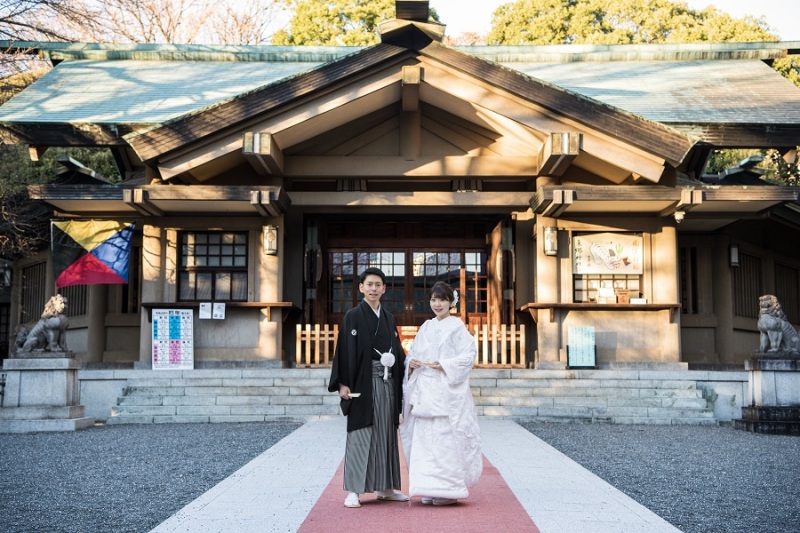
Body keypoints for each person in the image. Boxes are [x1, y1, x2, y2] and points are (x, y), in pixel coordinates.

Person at [327, 267, 409, 508]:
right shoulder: (353, 315)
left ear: (384, 289)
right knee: (361, 433)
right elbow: (344, 350)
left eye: (378, 285)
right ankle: (354, 490)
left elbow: (398, 353)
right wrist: (343, 383)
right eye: (369, 284)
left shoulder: (388, 317)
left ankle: (386, 487)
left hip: (386, 384)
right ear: (361, 287)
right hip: (362, 383)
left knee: (386, 434)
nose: (373, 289)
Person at [400, 281, 482, 506]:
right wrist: (412, 361)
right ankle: (428, 486)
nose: (437, 304)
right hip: (425, 386)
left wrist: (445, 364)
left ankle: (447, 489)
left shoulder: (457, 326)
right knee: (425, 438)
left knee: (445, 438)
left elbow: (468, 355)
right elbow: (414, 351)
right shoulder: (426, 326)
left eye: (442, 300)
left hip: (446, 388)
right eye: (434, 299)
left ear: (450, 302)